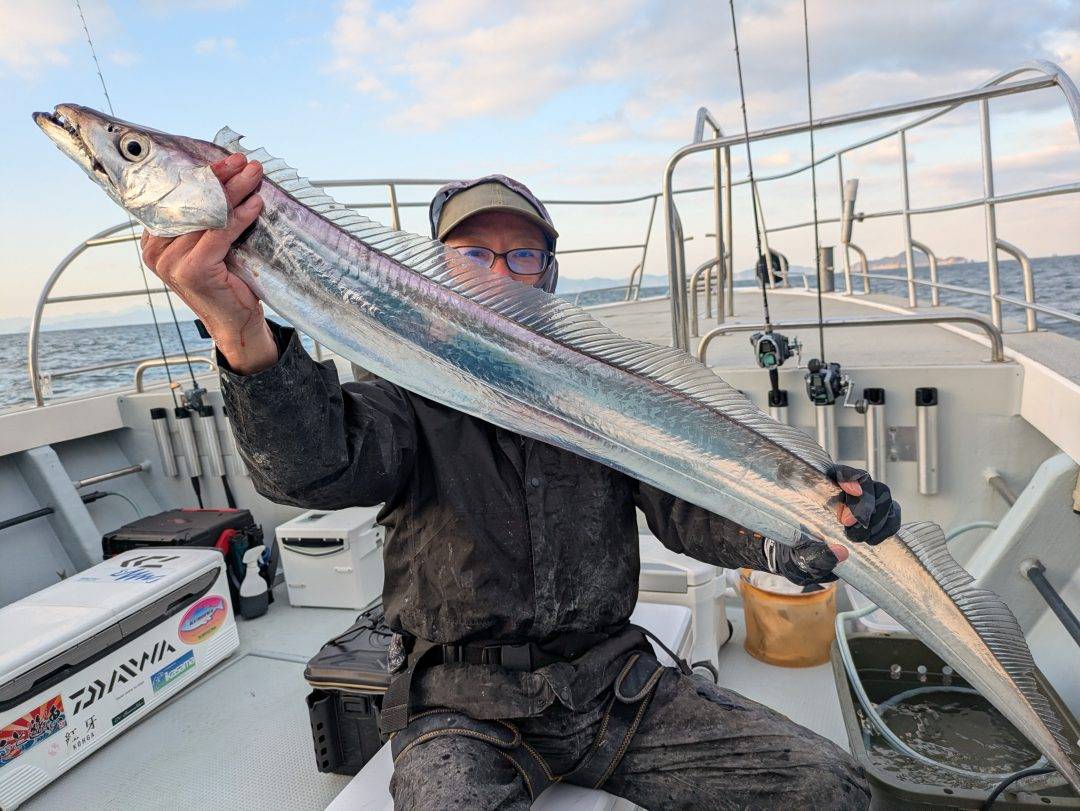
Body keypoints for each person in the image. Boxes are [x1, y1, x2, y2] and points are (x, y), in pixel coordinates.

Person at [141, 156, 901, 810]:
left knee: (830, 786)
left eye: (523, 257)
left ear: (550, 274)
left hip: (615, 686)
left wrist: (798, 536)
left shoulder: (601, 390)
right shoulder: (403, 389)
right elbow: (317, 465)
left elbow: (686, 507)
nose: (499, 274)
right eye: (471, 255)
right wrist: (242, 335)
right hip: (460, 707)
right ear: (432, 274)